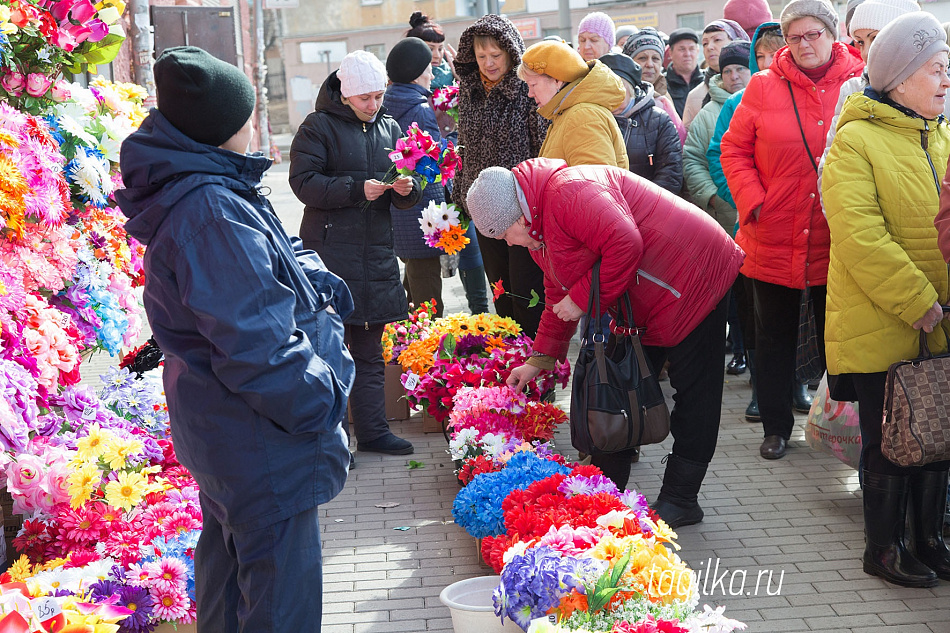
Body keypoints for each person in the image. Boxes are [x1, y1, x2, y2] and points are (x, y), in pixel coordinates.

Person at [117, 46, 354, 631]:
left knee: (230, 577)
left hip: (230, 431)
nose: (255, 126)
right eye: (248, 116)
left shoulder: (210, 191)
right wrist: (323, 397)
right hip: (259, 436)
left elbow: (250, 298)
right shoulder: (211, 210)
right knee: (279, 604)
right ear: (224, 129)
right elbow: (259, 348)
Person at [464, 158, 744, 528]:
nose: (507, 243)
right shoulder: (539, 224)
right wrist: (540, 359)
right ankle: (605, 491)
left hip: (695, 273)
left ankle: (681, 496)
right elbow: (556, 292)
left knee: (695, 391)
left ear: (516, 217)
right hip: (650, 293)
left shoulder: (569, 191)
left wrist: (581, 299)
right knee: (621, 384)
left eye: (503, 235)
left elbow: (625, 244)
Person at [825, 11, 950, 587]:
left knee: (937, 432)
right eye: (936, 68)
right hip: (881, 319)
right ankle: (883, 548)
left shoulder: (942, 133)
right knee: (890, 440)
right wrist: (919, 299)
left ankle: (929, 539)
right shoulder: (854, 141)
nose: (946, 80)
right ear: (899, 78)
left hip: (939, 321)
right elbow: (860, 237)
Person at [721, 0, 864, 461]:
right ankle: (776, 426)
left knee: (837, 338)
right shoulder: (763, 86)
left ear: (832, 34)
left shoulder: (858, 82)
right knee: (773, 337)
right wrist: (754, 202)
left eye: (813, 35)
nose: (804, 44)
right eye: (795, 37)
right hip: (772, 232)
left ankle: (842, 428)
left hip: (836, 234)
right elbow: (733, 150)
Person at [290, 50, 421, 457]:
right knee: (329, 355)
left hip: (377, 255)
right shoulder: (318, 127)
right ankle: (335, 445)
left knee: (369, 353)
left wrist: (407, 190)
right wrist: (354, 189)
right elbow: (303, 182)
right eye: (365, 97)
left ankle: (375, 433)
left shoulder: (392, 127)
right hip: (330, 257)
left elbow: (414, 176)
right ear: (346, 94)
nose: (374, 104)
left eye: (379, 95)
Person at [705, 22, 784, 422]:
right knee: (756, 314)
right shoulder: (741, 100)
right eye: (764, 56)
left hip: (802, 227)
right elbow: (722, 154)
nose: (772, 62)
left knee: (798, 317)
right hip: (754, 222)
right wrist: (749, 200)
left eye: (778, 52)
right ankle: (762, 391)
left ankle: (797, 387)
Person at [452, 14, 548, 335]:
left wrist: (536, 202)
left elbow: (542, 147)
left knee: (527, 288)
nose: (489, 63)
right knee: (500, 286)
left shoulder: (526, 89)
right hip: (484, 208)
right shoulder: (468, 91)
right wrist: (460, 195)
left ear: (511, 51)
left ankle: (537, 363)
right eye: (481, 57)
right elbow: (462, 146)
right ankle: (509, 356)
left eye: (496, 55)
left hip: (521, 208)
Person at [818, 0, 921, 190]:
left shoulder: (938, 89)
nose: (866, 52)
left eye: (876, 38)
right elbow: (831, 168)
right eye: (860, 42)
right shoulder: (852, 90)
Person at [384, 37, 447, 317]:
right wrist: (454, 139)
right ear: (414, 73)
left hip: (401, 214)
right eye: (427, 68)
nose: (432, 73)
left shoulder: (387, 105)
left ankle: (412, 353)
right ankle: (434, 357)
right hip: (424, 214)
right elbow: (433, 162)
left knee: (412, 294)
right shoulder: (420, 110)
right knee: (429, 302)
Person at [519, 40, 628, 168]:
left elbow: (594, 183)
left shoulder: (582, 116)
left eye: (533, 85)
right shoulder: (568, 114)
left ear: (557, 80)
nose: (529, 93)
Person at [684, 40, 751, 234]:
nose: (734, 76)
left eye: (740, 68)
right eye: (727, 71)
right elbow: (693, 159)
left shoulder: (767, 104)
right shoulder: (707, 114)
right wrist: (713, 196)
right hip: (724, 216)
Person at [600, 52, 683, 193]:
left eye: (618, 86)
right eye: (606, 87)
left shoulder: (659, 120)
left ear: (632, 89)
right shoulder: (591, 118)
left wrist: (642, 205)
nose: (612, 93)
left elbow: (671, 173)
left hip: (650, 207)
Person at [623, 27, 687, 145]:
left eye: (655, 59)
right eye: (642, 58)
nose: (650, 64)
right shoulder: (619, 98)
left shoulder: (665, 100)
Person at [682, 19, 750, 130]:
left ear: (736, 41)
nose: (709, 47)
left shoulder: (761, 86)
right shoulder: (695, 96)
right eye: (704, 43)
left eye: (717, 40)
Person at [665, 28, 703, 118]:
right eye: (682, 49)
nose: (687, 54)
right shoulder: (662, 84)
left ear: (697, 51)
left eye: (691, 49)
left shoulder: (707, 81)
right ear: (670, 53)